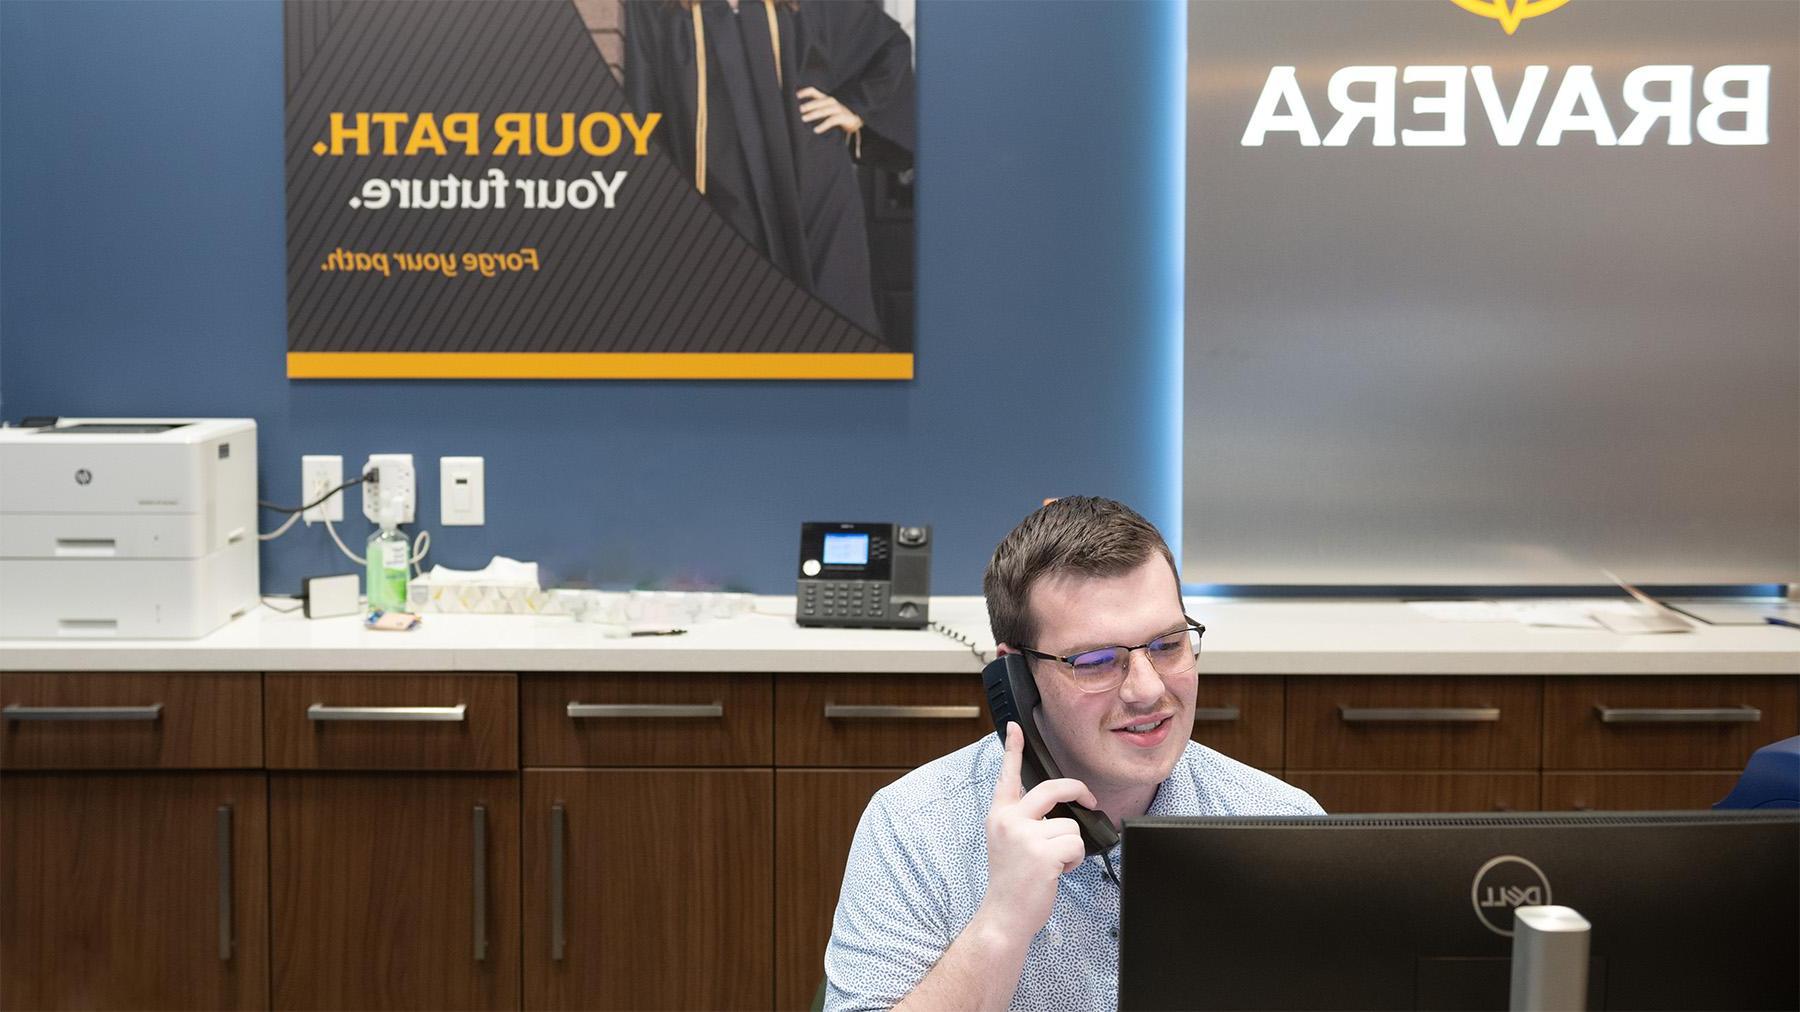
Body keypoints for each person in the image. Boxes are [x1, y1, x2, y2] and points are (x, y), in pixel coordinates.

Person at [823, 497, 1324, 1011]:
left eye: (1168, 645)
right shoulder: (915, 829)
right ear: (1018, 677)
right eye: (1096, 661)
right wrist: (1000, 925)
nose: (1148, 690)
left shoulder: (1282, 825)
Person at [622, 0, 914, 339]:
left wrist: (855, 108)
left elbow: (888, 46)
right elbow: (643, 107)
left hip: (814, 190)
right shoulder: (658, 7)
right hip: (716, 192)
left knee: (833, 323)